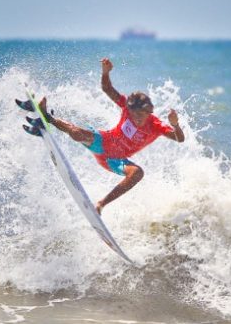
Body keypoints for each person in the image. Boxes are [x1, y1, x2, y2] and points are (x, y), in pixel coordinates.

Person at [36, 58, 185, 214]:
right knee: (76, 133)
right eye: (134, 114)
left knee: (138, 173)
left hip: (116, 161)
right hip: (102, 141)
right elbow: (107, 88)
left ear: (149, 112)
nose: (137, 118)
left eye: (141, 114)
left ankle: (101, 204)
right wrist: (105, 72)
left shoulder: (156, 126)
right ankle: (49, 118)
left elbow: (179, 138)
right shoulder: (127, 106)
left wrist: (175, 124)